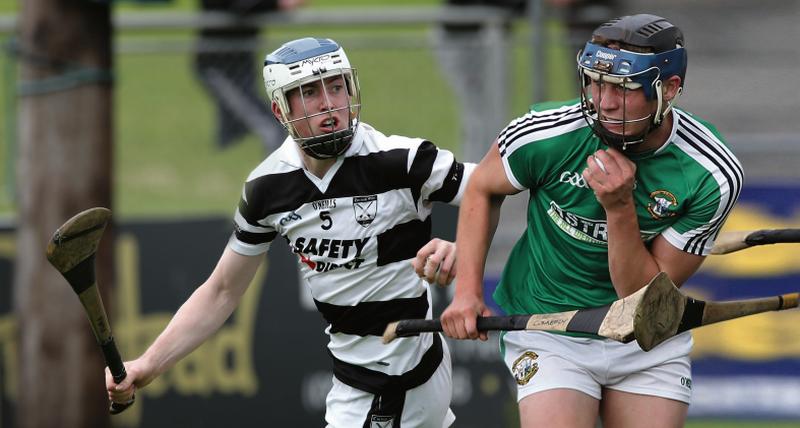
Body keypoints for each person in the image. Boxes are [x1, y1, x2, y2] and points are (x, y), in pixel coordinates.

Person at [108, 37, 475, 427]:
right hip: (358, 381)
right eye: (309, 93)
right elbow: (222, 291)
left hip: (409, 375)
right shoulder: (267, 188)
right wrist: (147, 365)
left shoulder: (404, 161)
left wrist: (463, 248)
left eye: (336, 86)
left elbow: (491, 187)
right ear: (280, 109)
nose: (328, 103)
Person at [440, 14, 743, 428]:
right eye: (596, 83)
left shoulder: (711, 174)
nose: (604, 102)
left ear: (669, 89)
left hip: (645, 339)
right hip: (548, 328)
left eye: (624, 88)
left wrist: (619, 209)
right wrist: (467, 292)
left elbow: (639, 299)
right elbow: (481, 187)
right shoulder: (544, 133)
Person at [194, 0, 304, 151]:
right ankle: (273, 174)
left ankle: (225, 168)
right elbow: (237, 7)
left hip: (241, 62)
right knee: (273, 129)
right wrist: (277, 4)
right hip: (219, 66)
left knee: (233, 134)